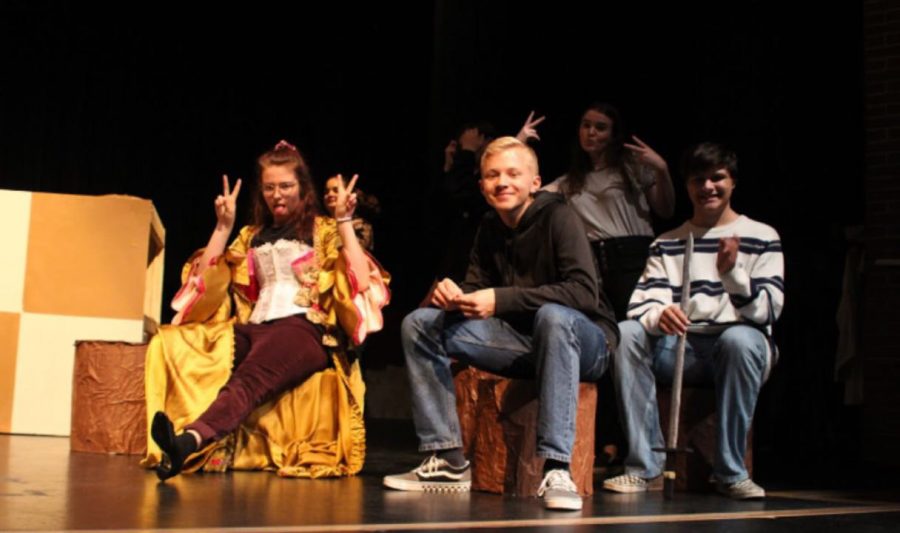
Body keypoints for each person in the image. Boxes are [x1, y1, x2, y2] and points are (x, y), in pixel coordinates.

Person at [383, 137, 618, 511]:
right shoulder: (490, 226)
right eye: (492, 175)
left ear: (535, 182)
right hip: (520, 341)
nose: (502, 182)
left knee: (553, 317)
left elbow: (584, 293)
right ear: (481, 186)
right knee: (420, 324)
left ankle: (557, 468)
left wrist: (501, 299)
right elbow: (478, 289)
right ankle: (447, 458)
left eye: (513, 174)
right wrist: (455, 296)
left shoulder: (560, 216)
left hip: (584, 344)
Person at [142, 140, 389, 481]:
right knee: (179, 341)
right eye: (270, 187)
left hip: (303, 329)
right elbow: (205, 280)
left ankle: (187, 441)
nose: (278, 194)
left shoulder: (323, 230)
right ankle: (174, 434)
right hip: (255, 326)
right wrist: (222, 227)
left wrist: (344, 219)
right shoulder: (250, 235)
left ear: (303, 188)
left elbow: (361, 279)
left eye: (286, 186)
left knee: (249, 379)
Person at [603, 142, 784, 500]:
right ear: (687, 186)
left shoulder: (762, 236)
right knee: (626, 334)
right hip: (679, 346)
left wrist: (731, 275)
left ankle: (731, 472)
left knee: (740, 340)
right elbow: (640, 305)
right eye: (698, 180)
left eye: (717, 178)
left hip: (737, 347)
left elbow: (768, 311)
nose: (707, 188)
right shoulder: (667, 243)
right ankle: (643, 465)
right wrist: (661, 314)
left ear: (732, 182)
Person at [534, 103, 675, 320]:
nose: (591, 132)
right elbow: (528, 195)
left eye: (600, 128)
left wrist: (662, 168)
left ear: (613, 135)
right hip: (593, 261)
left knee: (638, 323)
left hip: (633, 257)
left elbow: (665, 210)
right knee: (604, 328)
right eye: (586, 125)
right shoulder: (570, 181)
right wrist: (518, 144)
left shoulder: (631, 167)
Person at [323, 174, 379, 251]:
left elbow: (355, 254)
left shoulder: (361, 226)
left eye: (336, 190)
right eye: (326, 191)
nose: (330, 194)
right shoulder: (319, 225)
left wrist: (342, 220)